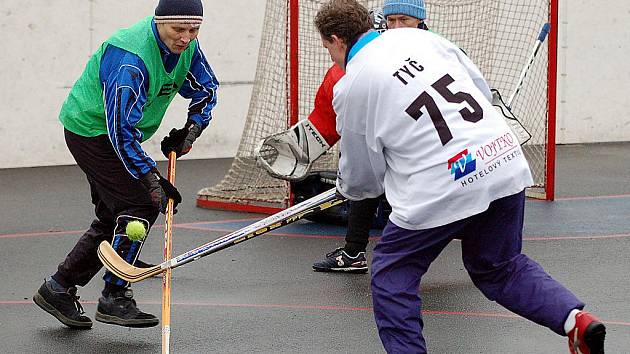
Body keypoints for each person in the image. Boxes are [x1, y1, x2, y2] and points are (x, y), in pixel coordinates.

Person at [314, 1, 605, 353]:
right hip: (501, 159)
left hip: (444, 182)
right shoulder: (422, 40)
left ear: (336, 40)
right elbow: (480, 90)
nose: (330, 55)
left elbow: (362, 180)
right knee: (498, 266)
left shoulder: (351, 86)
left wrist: (353, 185)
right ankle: (575, 320)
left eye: (327, 48)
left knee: (392, 275)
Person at [33, 0, 219, 329]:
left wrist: (191, 130)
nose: (186, 38)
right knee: (139, 202)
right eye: (179, 29)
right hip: (91, 131)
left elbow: (206, 87)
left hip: (116, 133)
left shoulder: (187, 45)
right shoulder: (130, 59)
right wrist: (151, 177)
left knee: (113, 215)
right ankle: (114, 295)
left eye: (194, 30)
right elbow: (120, 132)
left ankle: (58, 288)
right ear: (159, 22)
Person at [307, 0, 431, 274]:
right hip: (416, 148)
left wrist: (351, 180)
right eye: (391, 21)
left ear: (420, 22)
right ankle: (354, 251)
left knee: (391, 273)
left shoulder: (434, 48)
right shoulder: (376, 57)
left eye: (405, 21)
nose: (397, 28)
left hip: (428, 158)